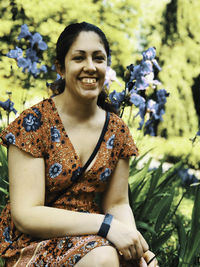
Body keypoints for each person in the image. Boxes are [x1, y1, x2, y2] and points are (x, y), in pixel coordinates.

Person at [0, 22, 158, 267]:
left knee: (126, 259)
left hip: (91, 237)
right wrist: (106, 227)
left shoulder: (116, 130)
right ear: (60, 68)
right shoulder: (33, 124)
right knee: (105, 257)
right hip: (32, 242)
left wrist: (134, 243)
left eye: (99, 58)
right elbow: (26, 215)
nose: (90, 67)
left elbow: (117, 203)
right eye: (79, 58)